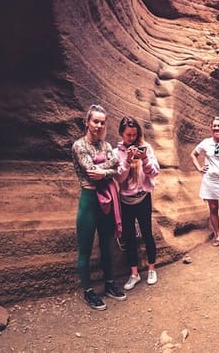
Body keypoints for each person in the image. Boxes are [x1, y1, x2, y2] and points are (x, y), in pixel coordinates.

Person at [71, 104, 126, 310]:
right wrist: (107, 168)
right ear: (87, 122)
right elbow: (89, 170)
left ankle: (110, 283)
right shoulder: (79, 146)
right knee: (85, 248)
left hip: (107, 199)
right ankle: (88, 291)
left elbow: (117, 166)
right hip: (89, 199)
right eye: (95, 121)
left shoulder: (106, 145)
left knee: (107, 243)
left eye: (102, 122)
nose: (99, 125)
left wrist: (104, 172)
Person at [114, 116, 161, 290]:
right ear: (121, 134)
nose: (131, 138)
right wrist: (126, 160)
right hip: (125, 200)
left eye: (134, 134)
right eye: (128, 135)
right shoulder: (116, 152)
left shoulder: (146, 147)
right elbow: (118, 177)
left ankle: (151, 268)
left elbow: (155, 172)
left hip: (143, 198)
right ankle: (134, 273)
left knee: (147, 233)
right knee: (129, 237)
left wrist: (144, 159)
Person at [191, 117, 219, 247]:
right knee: (213, 208)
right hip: (209, 180)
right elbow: (193, 154)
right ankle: (218, 235)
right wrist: (199, 168)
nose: (216, 128)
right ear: (211, 127)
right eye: (214, 126)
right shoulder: (205, 142)